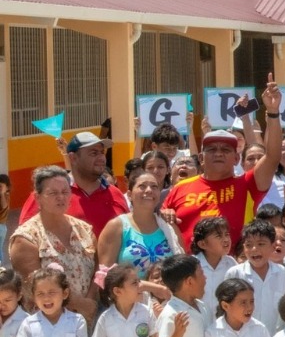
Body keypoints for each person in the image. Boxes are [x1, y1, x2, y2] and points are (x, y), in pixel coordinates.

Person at [164, 79, 283, 248]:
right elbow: (161, 222)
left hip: (235, 263)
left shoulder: (248, 185)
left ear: (236, 159)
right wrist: (164, 213)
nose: (218, 153)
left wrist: (273, 112)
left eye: (226, 150)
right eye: (212, 149)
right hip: (189, 264)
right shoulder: (179, 188)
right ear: (201, 158)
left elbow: (272, 157)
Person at [9, 166, 98, 318]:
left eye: (65, 192)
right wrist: (81, 305)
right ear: (38, 197)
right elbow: (35, 286)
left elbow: (98, 269)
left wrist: (90, 302)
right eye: (53, 193)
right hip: (49, 323)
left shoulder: (84, 229)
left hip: (89, 317)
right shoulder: (26, 238)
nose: (61, 197)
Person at [17, 131, 128, 235]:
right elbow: (26, 236)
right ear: (73, 158)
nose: (101, 158)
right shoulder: (46, 195)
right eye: (94, 153)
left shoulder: (115, 194)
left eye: (102, 152)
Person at [96, 169, 182, 291]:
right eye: (142, 186)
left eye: (154, 187)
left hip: (169, 300)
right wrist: (152, 288)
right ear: (129, 194)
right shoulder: (116, 227)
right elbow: (106, 277)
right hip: (131, 300)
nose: (149, 190)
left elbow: (183, 267)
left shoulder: (169, 226)